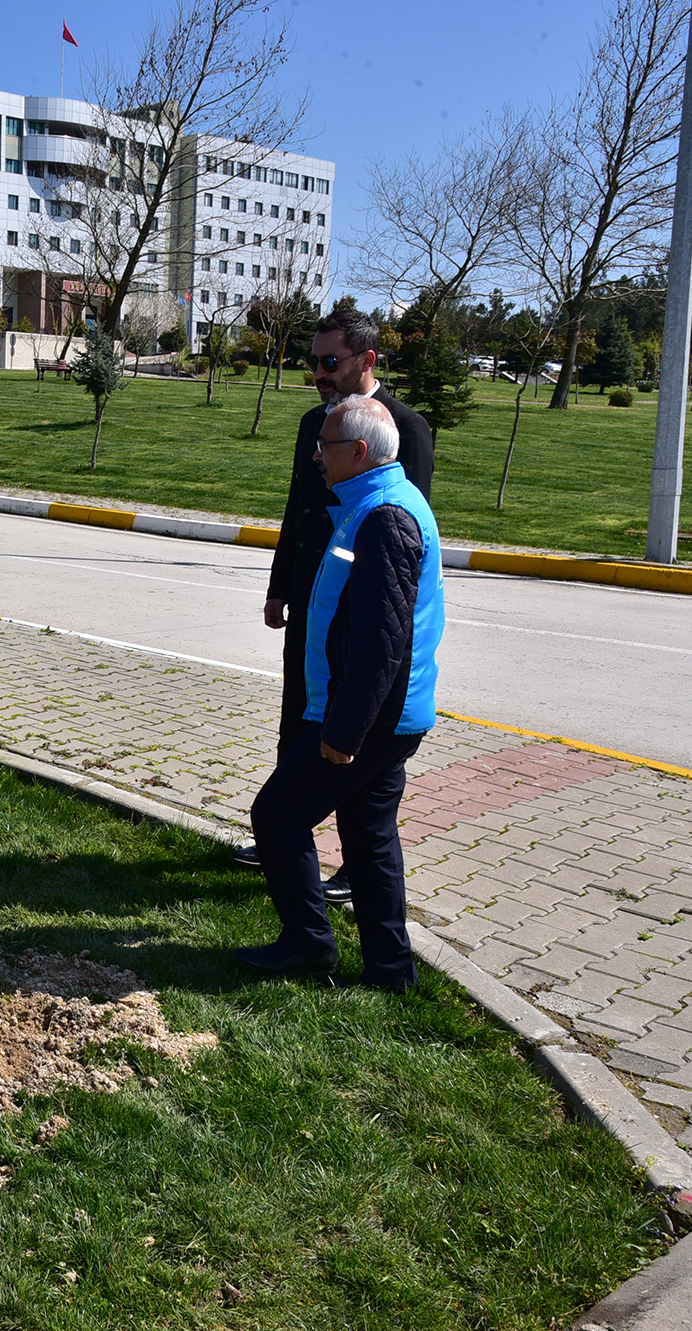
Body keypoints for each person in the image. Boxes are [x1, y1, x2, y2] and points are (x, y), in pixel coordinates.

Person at [235, 395, 443, 993]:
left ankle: (308, 945)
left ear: (357, 451)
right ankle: (389, 972)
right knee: (369, 837)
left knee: (277, 816)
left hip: (371, 718)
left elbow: (382, 641)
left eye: (323, 447)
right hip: (384, 714)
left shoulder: (385, 518)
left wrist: (343, 733)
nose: (315, 458)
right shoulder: (371, 505)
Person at [244, 306, 436, 903]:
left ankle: (351, 866)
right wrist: (282, 585)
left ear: (367, 359)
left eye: (330, 363)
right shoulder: (313, 423)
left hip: (360, 616)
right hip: (311, 603)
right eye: (313, 363)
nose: (318, 374)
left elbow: (396, 538)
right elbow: (296, 512)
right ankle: (288, 832)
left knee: (355, 744)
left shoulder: (406, 427)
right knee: (299, 721)